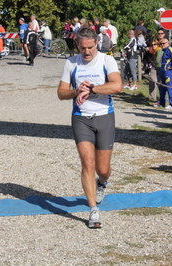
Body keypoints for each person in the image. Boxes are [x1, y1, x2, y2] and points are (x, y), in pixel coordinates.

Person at [57, 27, 122, 228]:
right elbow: (61, 93)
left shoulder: (106, 60)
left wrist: (91, 89)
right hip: (81, 118)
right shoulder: (71, 63)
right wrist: (77, 91)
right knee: (87, 164)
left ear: (97, 44)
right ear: (77, 45)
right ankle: (93, 210)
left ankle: (102, 183)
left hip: (104, 117)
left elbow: (117, 86)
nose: (87, 52)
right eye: (83, 48)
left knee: (102, 169)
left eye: (91, 48)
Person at [154, 38, 172, 109]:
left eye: (164, 43)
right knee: (162, 87)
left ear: (168, 43)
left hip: (168, 72)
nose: (162, 45)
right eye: (161, 44)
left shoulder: (170, 50)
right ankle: (162, 102)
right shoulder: (163, 50)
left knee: (169, 87)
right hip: (163, 71)